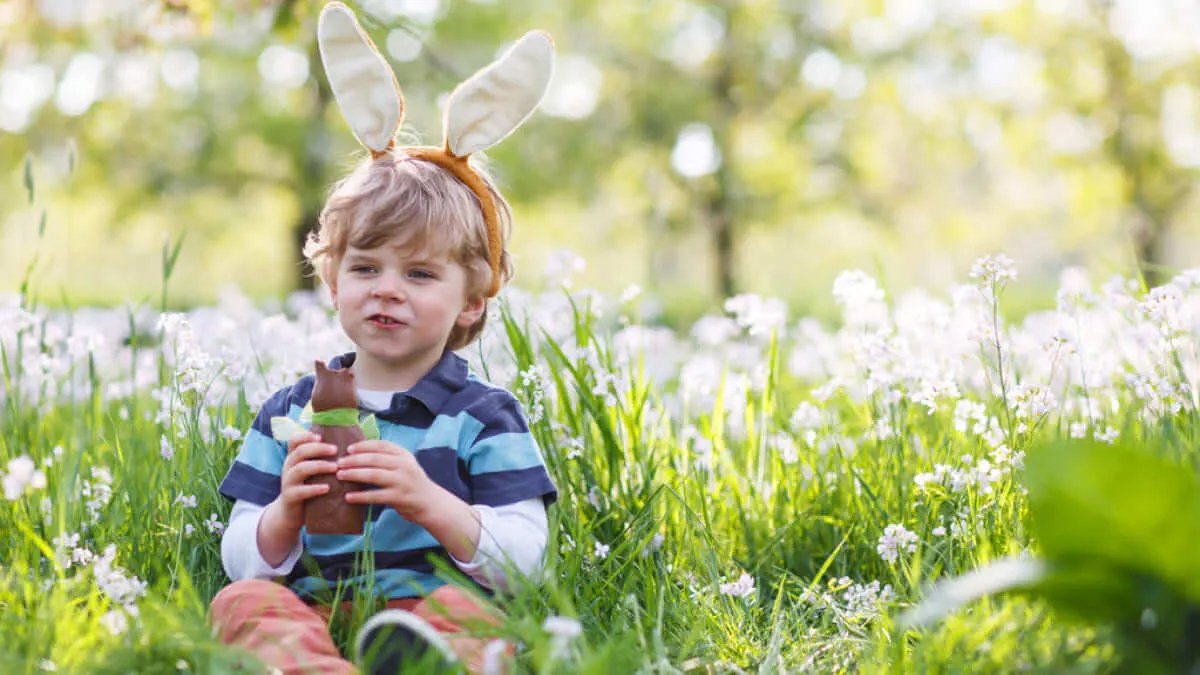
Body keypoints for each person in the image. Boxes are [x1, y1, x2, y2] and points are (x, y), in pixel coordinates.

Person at [210, 5, 558, 674]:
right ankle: (316, 666)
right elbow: (240, 551)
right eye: (365, 268)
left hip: (431, 604)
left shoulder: (484, 417)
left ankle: (421, 658)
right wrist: (284, 510)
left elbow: (525, 562)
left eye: (420, 273)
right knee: (243, 599)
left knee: (475, 615)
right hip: (313, 606)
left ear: (471, 301)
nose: (387, 288)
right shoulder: (292, 411)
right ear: (334, 283)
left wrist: (430, 502)